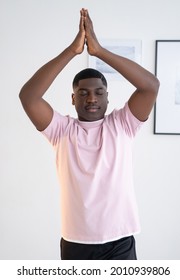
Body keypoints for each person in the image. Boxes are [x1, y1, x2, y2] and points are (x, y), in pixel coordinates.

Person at [19, 8, 159, 260]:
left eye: (98, 92)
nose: (91, 98)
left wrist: (99, 51)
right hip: (76, 242)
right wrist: (72, 51)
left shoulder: (123, 124)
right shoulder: (60, 130)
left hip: (120, 241)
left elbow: (150, 86)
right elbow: (29, 97)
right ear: (73, 99)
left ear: (108, 97)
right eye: (83, 93)